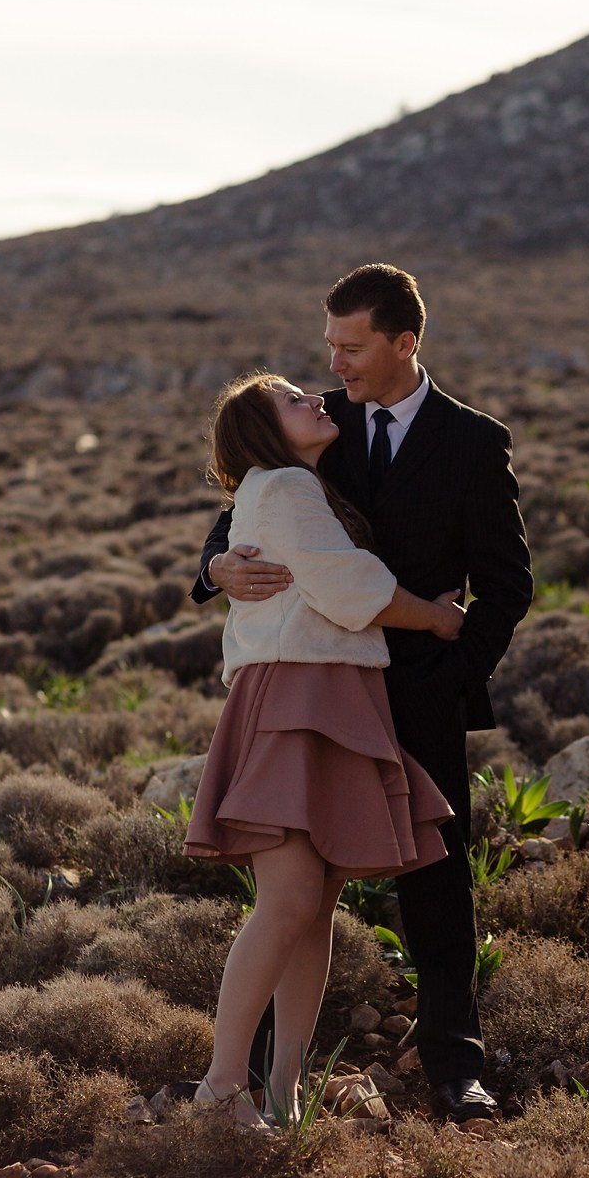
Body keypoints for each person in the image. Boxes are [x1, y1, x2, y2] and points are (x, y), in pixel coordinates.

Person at [192, 264, 531, 1123]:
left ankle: (456, 1064)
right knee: (303, 891)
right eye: (330, 346)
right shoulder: (313, 428)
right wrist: (214, 566)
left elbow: (507, 580)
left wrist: (456, 673)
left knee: (439, 879)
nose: (334, 365)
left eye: (351, 347)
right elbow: (240, 518)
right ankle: (263, 1075)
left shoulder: (472, 441)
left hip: (418, 693)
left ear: (402, 343)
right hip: (320, 694)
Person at [182, 371, 465, 1122]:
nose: (315, 394)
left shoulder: (297, 481)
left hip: (330, 695)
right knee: (290, 902)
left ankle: (283, 1092)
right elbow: (347, 586)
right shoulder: (280, 485)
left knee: (312, 909)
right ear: (263, 431)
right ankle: (220, 1087)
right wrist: (434, 618)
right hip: (297, 696)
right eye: (289, 397)